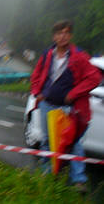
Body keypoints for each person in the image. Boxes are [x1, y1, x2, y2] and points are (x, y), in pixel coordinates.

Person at [30, 20, 100, 191]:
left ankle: (78, 180)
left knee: (74, 143)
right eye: (59, 33)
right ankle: (48, 173)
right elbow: (36, 75)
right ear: (54, 36)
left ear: (71, 35)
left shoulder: (79, 55)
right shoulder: (48, 54)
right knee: (47, 140)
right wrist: (37, 92)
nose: (63, 36)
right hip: (48, 104)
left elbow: (94, 78)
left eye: (66, 33)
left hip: (70, 109)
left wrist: (73, 94)